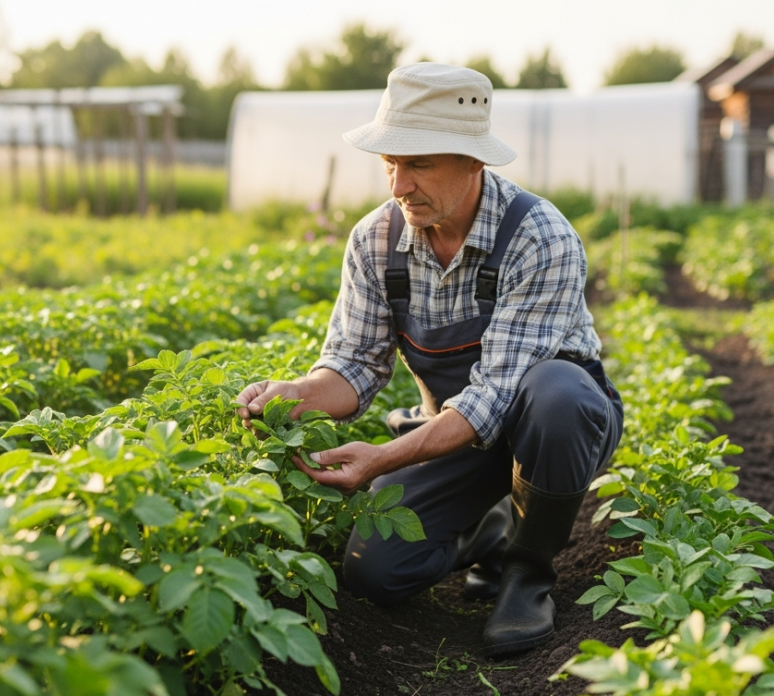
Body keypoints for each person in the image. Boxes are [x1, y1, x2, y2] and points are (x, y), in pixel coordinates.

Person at [233, 62, 624, 657]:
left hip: (548, 431)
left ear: (474, 161)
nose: (397, 185)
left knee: (556, 394)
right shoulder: (376, 240)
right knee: (375, 571)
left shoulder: (539, 236)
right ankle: (486, 530)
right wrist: (298, 393)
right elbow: (355, 364)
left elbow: (497, 395)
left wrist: (382, 458)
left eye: (417, 164)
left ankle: (527, 572)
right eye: (390, 164)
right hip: (454, 434)